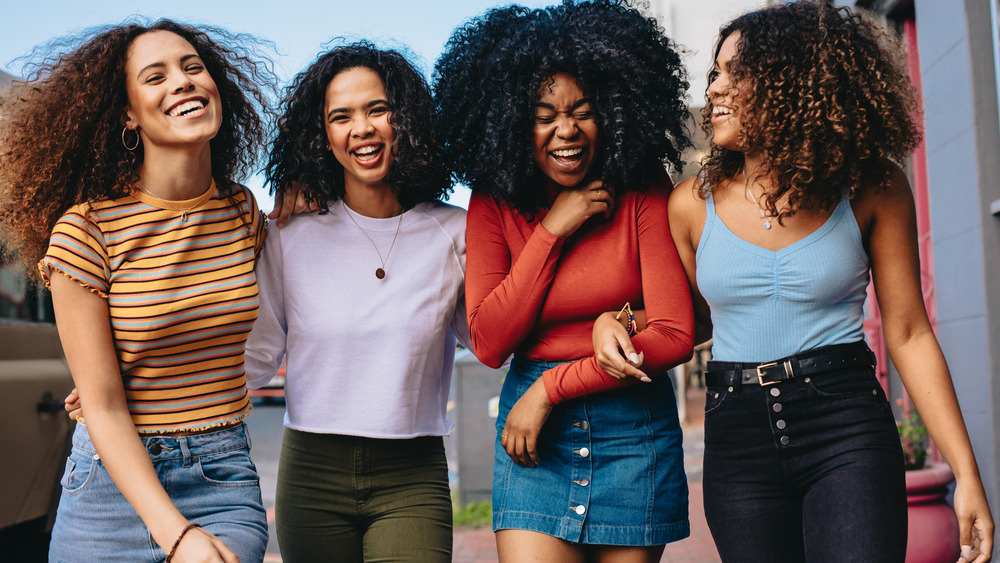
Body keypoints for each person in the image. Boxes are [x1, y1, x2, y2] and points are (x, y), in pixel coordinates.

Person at [602, 2, 995, 561]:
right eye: (714, 72)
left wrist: (967, 474)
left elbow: (908, 334)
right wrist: (612, 323)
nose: (714, 88)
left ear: (793, 80)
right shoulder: (691, 204)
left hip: (846, 426)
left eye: (734, 73)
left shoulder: (872, 187)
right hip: (737, 439)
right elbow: (690, 322)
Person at [0, 20, 273, 563]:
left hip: (222, 477)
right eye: (156, 76)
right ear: (128, 113)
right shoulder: (86, 230)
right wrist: (177, 536)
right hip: (108, 490)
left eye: (193, 68)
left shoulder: (243, 213)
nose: (184, 81)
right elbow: (101, 407)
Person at [434, 1, 694, 561]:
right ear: (510, 121)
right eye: (543, 115)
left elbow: (675, 333)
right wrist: (553, 229)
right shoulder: (493, 202)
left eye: (583, 110)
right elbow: (490, 340)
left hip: (633, 428)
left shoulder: (641, 188)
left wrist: (553, 388)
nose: (566, 130)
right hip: (534, 447)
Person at [244, 41, 467, 563]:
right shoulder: (288, 235)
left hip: (412, 475)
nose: (361, 128)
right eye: (340, 116)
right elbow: (254, 360)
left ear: (405, 120)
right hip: (311, 473)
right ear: (323, 137)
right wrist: (137, 388)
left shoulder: (455, 232)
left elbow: (496, 339)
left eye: (377, 109)